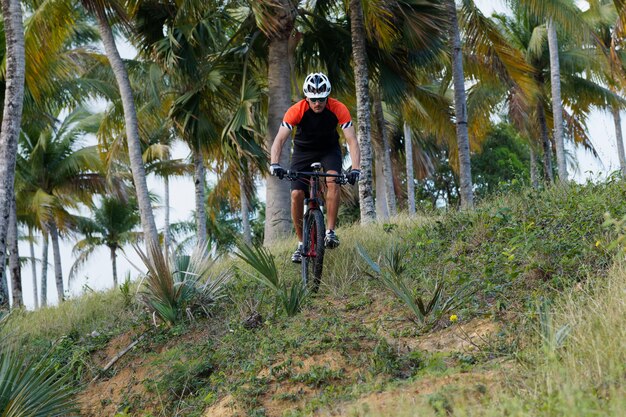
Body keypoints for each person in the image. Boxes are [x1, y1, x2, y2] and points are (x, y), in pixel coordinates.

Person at [269, 72, 361, 263]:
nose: (317, 103)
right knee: (296, 195)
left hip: (329, 150)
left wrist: (356, 168)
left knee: (333, 181)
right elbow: (279, 139)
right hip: (303, 151)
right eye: (313, 100)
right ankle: (301, 243)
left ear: (327, 97)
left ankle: (330, 232)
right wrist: (275, 163)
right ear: (307, 97)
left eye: (321, 99)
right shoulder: (296, 110)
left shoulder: (338, 108)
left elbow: (351, 140)